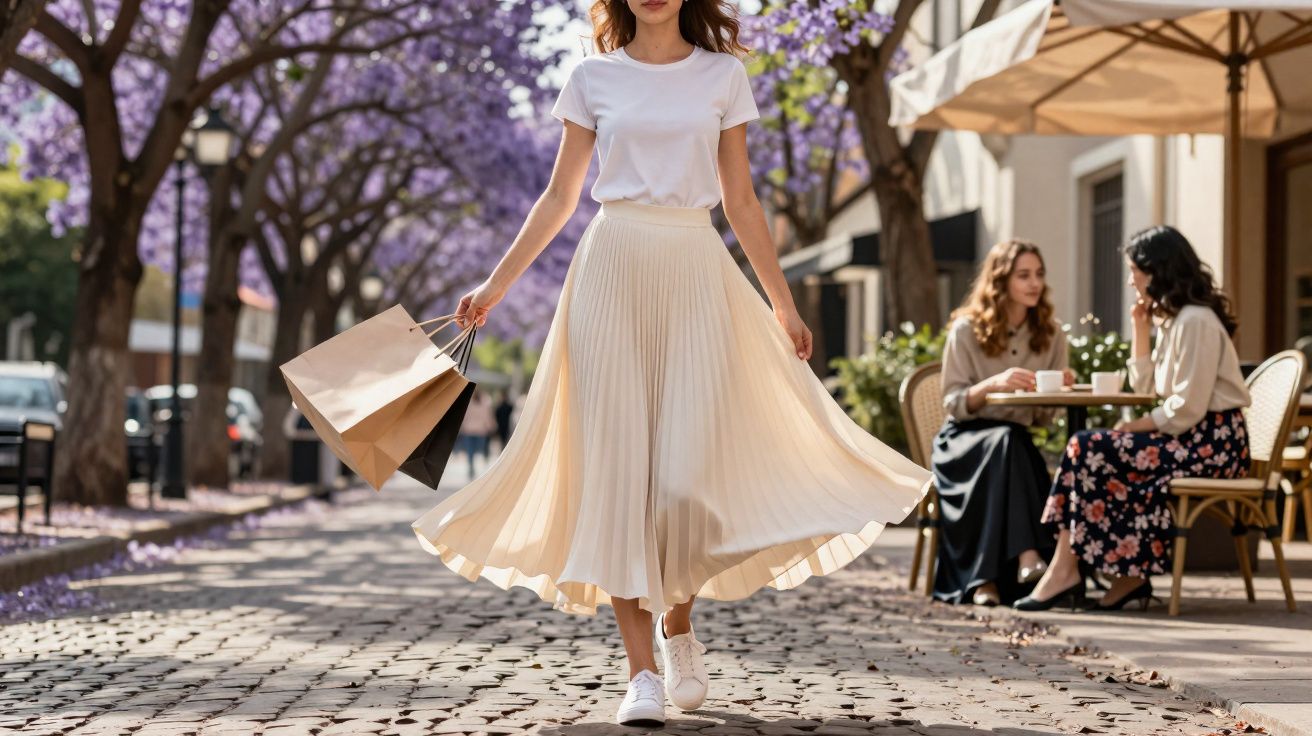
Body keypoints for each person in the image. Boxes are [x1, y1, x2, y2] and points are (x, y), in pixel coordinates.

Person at [409, 0, 932, 726]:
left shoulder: (723, 75)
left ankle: (678, 622)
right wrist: (496, 286)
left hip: (695, 269)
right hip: (610, 271)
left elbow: (740, 198)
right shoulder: (592, 77)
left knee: (686, 478)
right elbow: (560, 195)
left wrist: (781, 302)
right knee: (619, 476)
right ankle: (641, 675)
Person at [1017, 225, 1252, 612]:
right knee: (1087, 448)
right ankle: (1096, 571)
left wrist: (1134, 427)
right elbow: (1146, 387)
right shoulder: (1175, 320)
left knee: (1088, 447)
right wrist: (1141, 327)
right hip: (1191, 438)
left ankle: (1075, 571)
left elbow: (1187, 408)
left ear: (1156, 270)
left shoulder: (1195, 320)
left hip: (1213, 444)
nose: (1130, 280)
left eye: (1134, 271)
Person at [933, 240, 1070, 607]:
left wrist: (1057, 390)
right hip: (963, 441)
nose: (1034, 283)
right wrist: (992, 384)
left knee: (1011, 442)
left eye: (1039, 275)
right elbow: (953, 403)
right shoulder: (966, 330)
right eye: (1023, 275)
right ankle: (1027, 558)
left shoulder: (1052, 334)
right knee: (1008, 444)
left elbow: (1041, 418)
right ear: (1001, 280)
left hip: (1013, 443)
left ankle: (987, 583)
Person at [455, 388, 497, 478]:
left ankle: (471, 465)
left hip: (469, 430)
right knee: (477, 448)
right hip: (480, 430)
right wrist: (491, 427)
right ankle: (472, 465)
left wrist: (461, 427)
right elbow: (487, 416)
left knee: (470, 450)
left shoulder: (469, 403)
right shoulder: (484, 403)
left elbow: (465, 416)